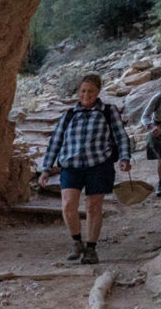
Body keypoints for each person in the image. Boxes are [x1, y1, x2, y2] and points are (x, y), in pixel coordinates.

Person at [42, 73, 134, 265]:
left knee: (93, 206)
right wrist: (46, 167)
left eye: (91, 91)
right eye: (83, 91)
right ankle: (77, 242)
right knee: (68, 205)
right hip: (70, 165)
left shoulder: (108, 111)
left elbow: (120, 136)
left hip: (99, 165)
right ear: (78, 92)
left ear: (98, 91)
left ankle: (91, 248)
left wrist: (125, 157)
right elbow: (56, 142)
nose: (86, 94)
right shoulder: (68, 115)